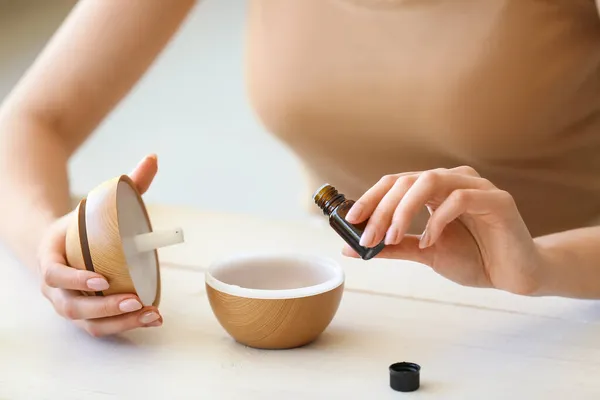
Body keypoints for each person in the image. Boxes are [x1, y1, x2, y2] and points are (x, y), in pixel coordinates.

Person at [1, 1, 600, 337]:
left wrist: (543, 267)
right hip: (368, 309)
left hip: (576, 310)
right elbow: (28, 123)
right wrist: (50, 248)